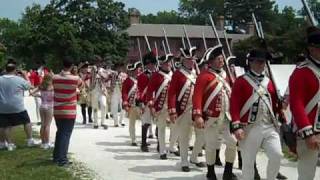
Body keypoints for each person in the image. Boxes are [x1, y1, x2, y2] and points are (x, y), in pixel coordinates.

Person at [231, 49, 283, 180]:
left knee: (277, 155)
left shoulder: (269, 82)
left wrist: (281, 107)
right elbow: (234, 105)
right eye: (259, 62)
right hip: (249, 127)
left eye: (264, 62)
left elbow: (274, 103)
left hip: (269, 126)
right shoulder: (241, 81)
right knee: (248, 163)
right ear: (251, 62)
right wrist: (237, 127)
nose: (262, 65)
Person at [193, 45, 238, 180]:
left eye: (222, 58)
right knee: (211, 145)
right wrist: (198, 115)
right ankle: (211, 171)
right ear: (210, 61)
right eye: (219, 59)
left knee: (232, 142)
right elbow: (197, 96)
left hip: (226, 117)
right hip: (211, 117)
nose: (222, 61)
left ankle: (228, 171)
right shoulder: (204, 76)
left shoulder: (225, 75)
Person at [168, 47, 206, 172]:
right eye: (188, 60)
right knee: (184, 137)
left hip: (197, 109)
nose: (191, 62)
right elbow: (172, 93)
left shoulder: (197, 73)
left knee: (201, 136)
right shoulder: (177, 74)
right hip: (183, 109)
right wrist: (172, 110)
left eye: (193, 60)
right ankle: (184, 161)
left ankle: (194, 157)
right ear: (183, 60)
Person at [289, 26, 320, 180]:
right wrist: (308, 134)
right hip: (311, 131)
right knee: (307, 174)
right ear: (311, 49)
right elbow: (296, 104)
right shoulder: (301, 72)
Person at [0, 58, 38, 151]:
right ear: (14, 70)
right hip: (17, 106)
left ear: (6, 69)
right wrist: (25, 76)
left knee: (5, 125)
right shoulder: (18, 79)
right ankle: (30, 140)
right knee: (26, 122)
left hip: (3, 106)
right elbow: (29, 87)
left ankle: (9, 144)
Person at [52, 56, 83, 166]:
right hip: (69, 110)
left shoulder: (54, 77)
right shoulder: (75, 79)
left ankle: (56, 156)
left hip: (57, 110)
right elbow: (82, 85)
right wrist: (76, 72)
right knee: (65, 134)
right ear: (71, 66)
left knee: (60, 132)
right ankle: (62, 159)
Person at [138, 52, 157, 152]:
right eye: (152, 64)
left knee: (158, 122)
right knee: (146, 123)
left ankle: (159, 144)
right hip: (146, 102)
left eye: (154, 64)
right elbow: (141, 90)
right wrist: (141, 102)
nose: (154, 66)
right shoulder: (142, 76)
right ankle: (143, 143)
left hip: (156, 101)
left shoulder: (156, 74)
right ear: (147, 64)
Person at [30, 74, 54, 149]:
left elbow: (31, 93)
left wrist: (39, 96)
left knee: (43, 125)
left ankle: (43, 142)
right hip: (50, 107)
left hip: (42, 106)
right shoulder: (53, 87)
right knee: (47, 125)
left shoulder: (41, 86)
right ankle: (47, 143)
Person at [122, 61, 141, 146]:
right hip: (132, 105)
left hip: (140, 105)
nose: (139, 70)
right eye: (137, 69)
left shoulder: (140, 79)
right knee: (132, 123)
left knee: (145, 122)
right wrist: (125, 103)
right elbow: (124, 93)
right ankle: (133, 139)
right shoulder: (128, 81)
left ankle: (144, 138)